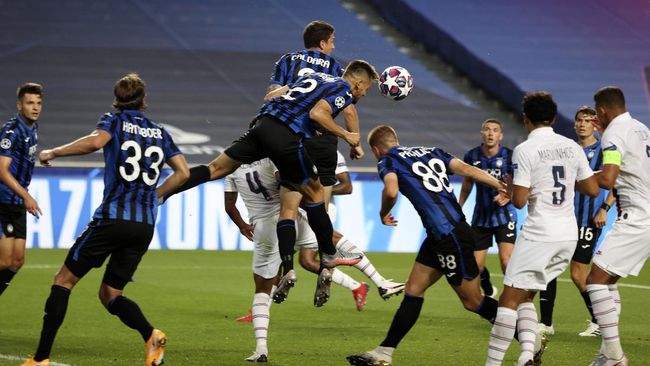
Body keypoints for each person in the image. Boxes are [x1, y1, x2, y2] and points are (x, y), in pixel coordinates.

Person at [160, 60, 379, 288]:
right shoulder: (343, 89)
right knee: (315, 194)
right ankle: (329, 255)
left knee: (216, 168)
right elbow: (317, 113)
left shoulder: (312, 77)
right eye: (367, 88)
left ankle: (161, 194)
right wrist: (347, 136)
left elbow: (272, 96)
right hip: (285, 136)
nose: (364, 93)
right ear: (359, 82)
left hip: (262, 124)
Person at [22, 74, 189, 366]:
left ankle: (40, 359)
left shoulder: (113, 120)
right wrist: (155, 195)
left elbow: (95, 142)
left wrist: (55, 152)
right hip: (144, 225)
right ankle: (151, 334)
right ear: (144, 100)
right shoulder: (160, 132)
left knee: (63, 281)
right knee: (111, 293)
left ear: (117, 98)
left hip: (113, 218)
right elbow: (184, 173)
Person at [347, 125, 507, 366]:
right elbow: (467, 170)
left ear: (376, 150)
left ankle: (527, 334)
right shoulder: (432, 150)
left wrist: (383, 213)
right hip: (440, 236)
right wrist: (499, 185)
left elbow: (391, 191)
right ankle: (385, 351)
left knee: (473, 302)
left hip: (449, 236)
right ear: (397, 139)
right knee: (413, 289)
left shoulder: (387, 161)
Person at [224, 158, 400, 362]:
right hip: (295, 214)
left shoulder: (232, 169)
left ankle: (261, 349)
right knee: (331, 237)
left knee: (263, 287)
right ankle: (379, 281)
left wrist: (243, 226)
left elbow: (229, 205)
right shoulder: (271, 158)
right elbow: (285, 180)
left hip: (265, 225)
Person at [484, 92, 599, 366]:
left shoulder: (525, 150)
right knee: (525, 295)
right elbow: (593, 189)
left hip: (540, 234)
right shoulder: (572, 147)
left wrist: (512, 190)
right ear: (554, 118)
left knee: (507, 301)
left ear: (525, 119)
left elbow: (521, 200)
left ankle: (493, 363)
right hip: (567, 235)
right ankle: (527, 357)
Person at [267, 20, 370, 304]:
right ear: (324, 43)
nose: (334, 45)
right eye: (333, 40)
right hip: (324, 141)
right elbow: (346, 108)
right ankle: (327, 267)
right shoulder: (336, 69)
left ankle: (287, 269)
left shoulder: (286, 61)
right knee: (319, 211)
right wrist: (355, 142)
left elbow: (273, 96)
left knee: (287, 210)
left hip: (293, 138)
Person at [585, 86, 650, 366]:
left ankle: (613, 356)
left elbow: (608, 178)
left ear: (601, 111)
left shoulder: (614, 134)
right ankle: (607, 353)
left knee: (595, 281)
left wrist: (578, 175)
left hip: (637, 217)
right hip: (644, 213)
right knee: (608, 281)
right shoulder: (641, 128)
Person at [537, 106, 615, 338]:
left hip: (589, 220)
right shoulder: (567, 150)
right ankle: (546, 323)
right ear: (574, 124)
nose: (582, 124)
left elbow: (616, 184)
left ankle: (601, 321)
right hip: (563, 219)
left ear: (595, 125)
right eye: (579, 120)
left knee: (578, 274)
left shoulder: (604, 150)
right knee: (549, 266)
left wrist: (604, 209)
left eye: (587, 121)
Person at [459, 119, 517, 298]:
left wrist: (509, 195)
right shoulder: (471, 156)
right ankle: (489, 289)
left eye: (495, 130)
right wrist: (459, 206)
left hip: (505, 216)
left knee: (506, 262)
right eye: (487, 130)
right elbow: (467, 182)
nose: (491, 133)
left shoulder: (510, 156)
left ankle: (511, 300)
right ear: (481, 134)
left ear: (501, 135)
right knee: (476, 265)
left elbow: (520, 183)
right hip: (481, 217)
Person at [0, 83, 43, 298]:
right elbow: (1, 170)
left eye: (38, 103)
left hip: (16, 203)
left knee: (17, 261)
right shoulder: (11, 131)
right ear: (19, 106)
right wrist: (26, 195)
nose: (35, 107)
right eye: (30, 103)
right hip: (3, 201)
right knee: (4, 261)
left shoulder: (33, 129)